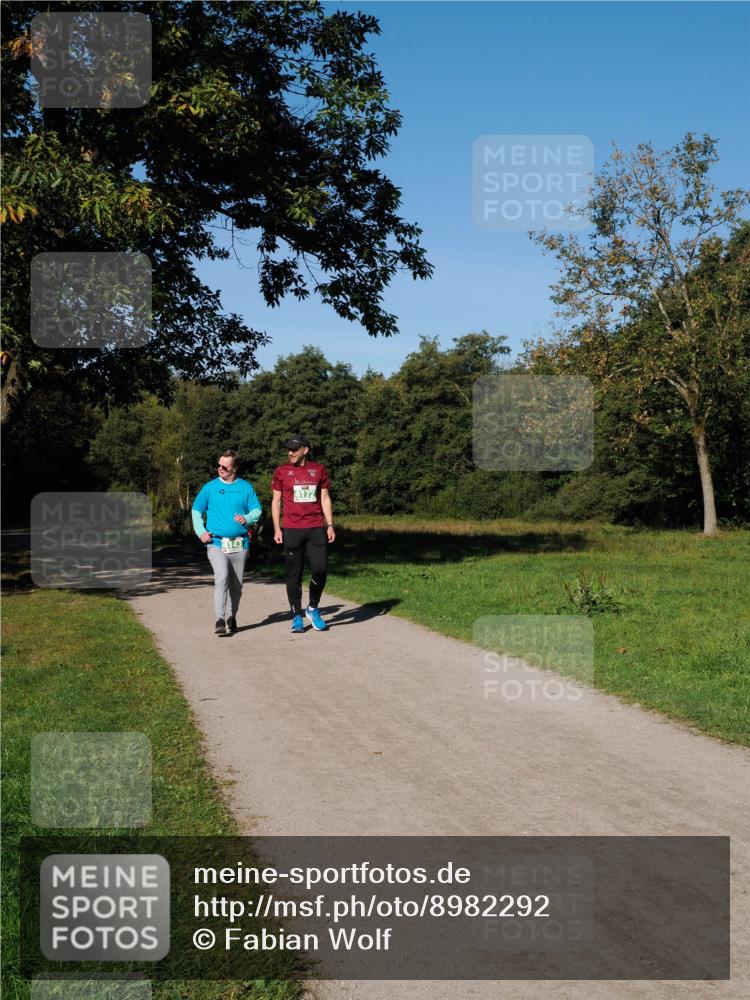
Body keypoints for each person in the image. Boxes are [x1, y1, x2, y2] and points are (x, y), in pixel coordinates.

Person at [192, 450, 261, 636]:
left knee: (236, 585)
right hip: (216, 543)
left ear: (234, 469)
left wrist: (247, 518)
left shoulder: (246, 488)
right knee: (221, 577)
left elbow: (257, 510)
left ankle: (232, 617)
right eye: (219, 465)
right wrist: (201, 532)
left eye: (224, 467)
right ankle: (219, 619)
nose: (219, 469)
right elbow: (196, 511)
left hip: (240, 544)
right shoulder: (210, 488)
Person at [271, 434, 335, 633]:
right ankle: (296, 616)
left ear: (305, 450)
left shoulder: (318, 470)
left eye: (294, 449)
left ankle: (313, 608)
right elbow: (276, 501)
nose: (290, 453)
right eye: (288, 449)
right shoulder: (282, 471)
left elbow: (325, 499)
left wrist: (330, 524)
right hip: (292, 528)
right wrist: (277, 528)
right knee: (294, 574)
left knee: (320, 568)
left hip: (316, 527)